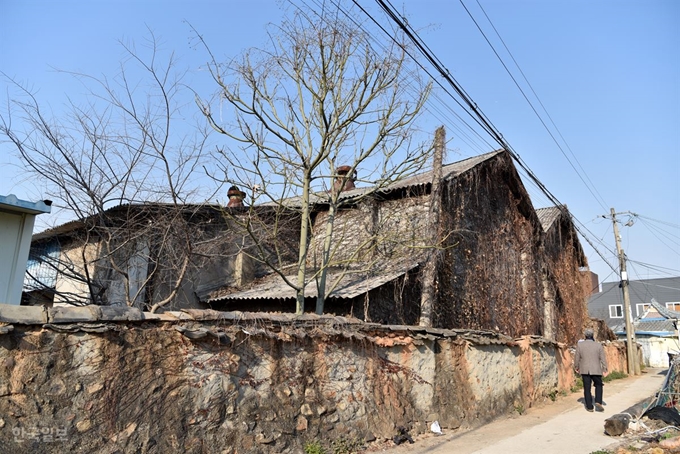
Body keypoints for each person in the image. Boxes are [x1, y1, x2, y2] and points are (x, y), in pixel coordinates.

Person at [574, 328, 608, 412]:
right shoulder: (598, 345)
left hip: (585, 369)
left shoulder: (580, 345)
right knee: (599, 385)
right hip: (596, 369)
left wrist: (576, 367)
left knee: (587, 388)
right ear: (592, 335)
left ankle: (589, 407)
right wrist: (605, 369)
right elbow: (602, 358)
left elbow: (577, 357)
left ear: (585, 336)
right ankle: (598, 401)